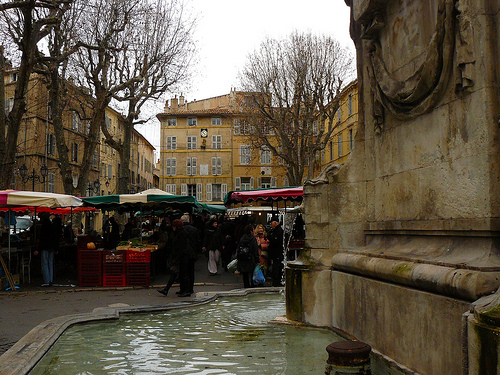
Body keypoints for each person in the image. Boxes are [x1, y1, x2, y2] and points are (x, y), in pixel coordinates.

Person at [157, 219, 192, 297]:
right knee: (179, 274)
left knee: (182, 274)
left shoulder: (181, 234)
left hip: (182, 257)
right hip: (182, 257)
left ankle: (185, 290)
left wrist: (176, 258)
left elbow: (181, 247)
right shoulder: (181, 233)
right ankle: (180, 290)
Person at [33, 212, 55, 286]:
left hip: (45, 247)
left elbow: (42, 239)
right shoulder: (52, 226)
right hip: (51, 246)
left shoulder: (43, 227)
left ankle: (47, 281)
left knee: (45, 264)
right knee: (50, 263)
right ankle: (51, 280)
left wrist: (38, 249)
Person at [180, 214, 198, 294]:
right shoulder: (194, 229)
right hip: (192, 253)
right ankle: (190, 288)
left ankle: (184, 288)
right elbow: (198, 241)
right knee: (191, 272)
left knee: (183, 272)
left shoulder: (181, 230)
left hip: (184, 254)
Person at [236, 224, 259, 288]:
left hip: (243, 258)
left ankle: (246, 286)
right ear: (251, 231)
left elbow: (238, 248)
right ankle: (252, 286)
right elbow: (255, 250)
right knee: (252, 274)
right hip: (251, 259)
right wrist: (257, 259)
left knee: (245, 275)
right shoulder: (253, 239)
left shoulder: (242, 238)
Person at [268, 219, 284, 287]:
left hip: (277, 252)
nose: (271, 225)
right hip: (277, 252)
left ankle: (276, 282)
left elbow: (276, 241)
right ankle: (277, 281)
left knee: (276, 267)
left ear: (275, 222)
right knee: (277, 267)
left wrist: (269, 237)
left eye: (271, 223)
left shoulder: (278, 231)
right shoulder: (277, 230)